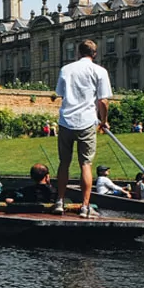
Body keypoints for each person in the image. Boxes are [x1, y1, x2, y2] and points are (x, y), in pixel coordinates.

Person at [54, 39, 112, 218]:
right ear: (94, 54)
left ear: (78, 53)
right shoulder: (100, 71)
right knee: (86, 164)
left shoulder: (66, 69)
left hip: (66, 121)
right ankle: (85, 207)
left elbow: (60, 94)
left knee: (64, 163)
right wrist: (104, 121)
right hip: (87, 122)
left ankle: (59, 201)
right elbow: (103, 101)